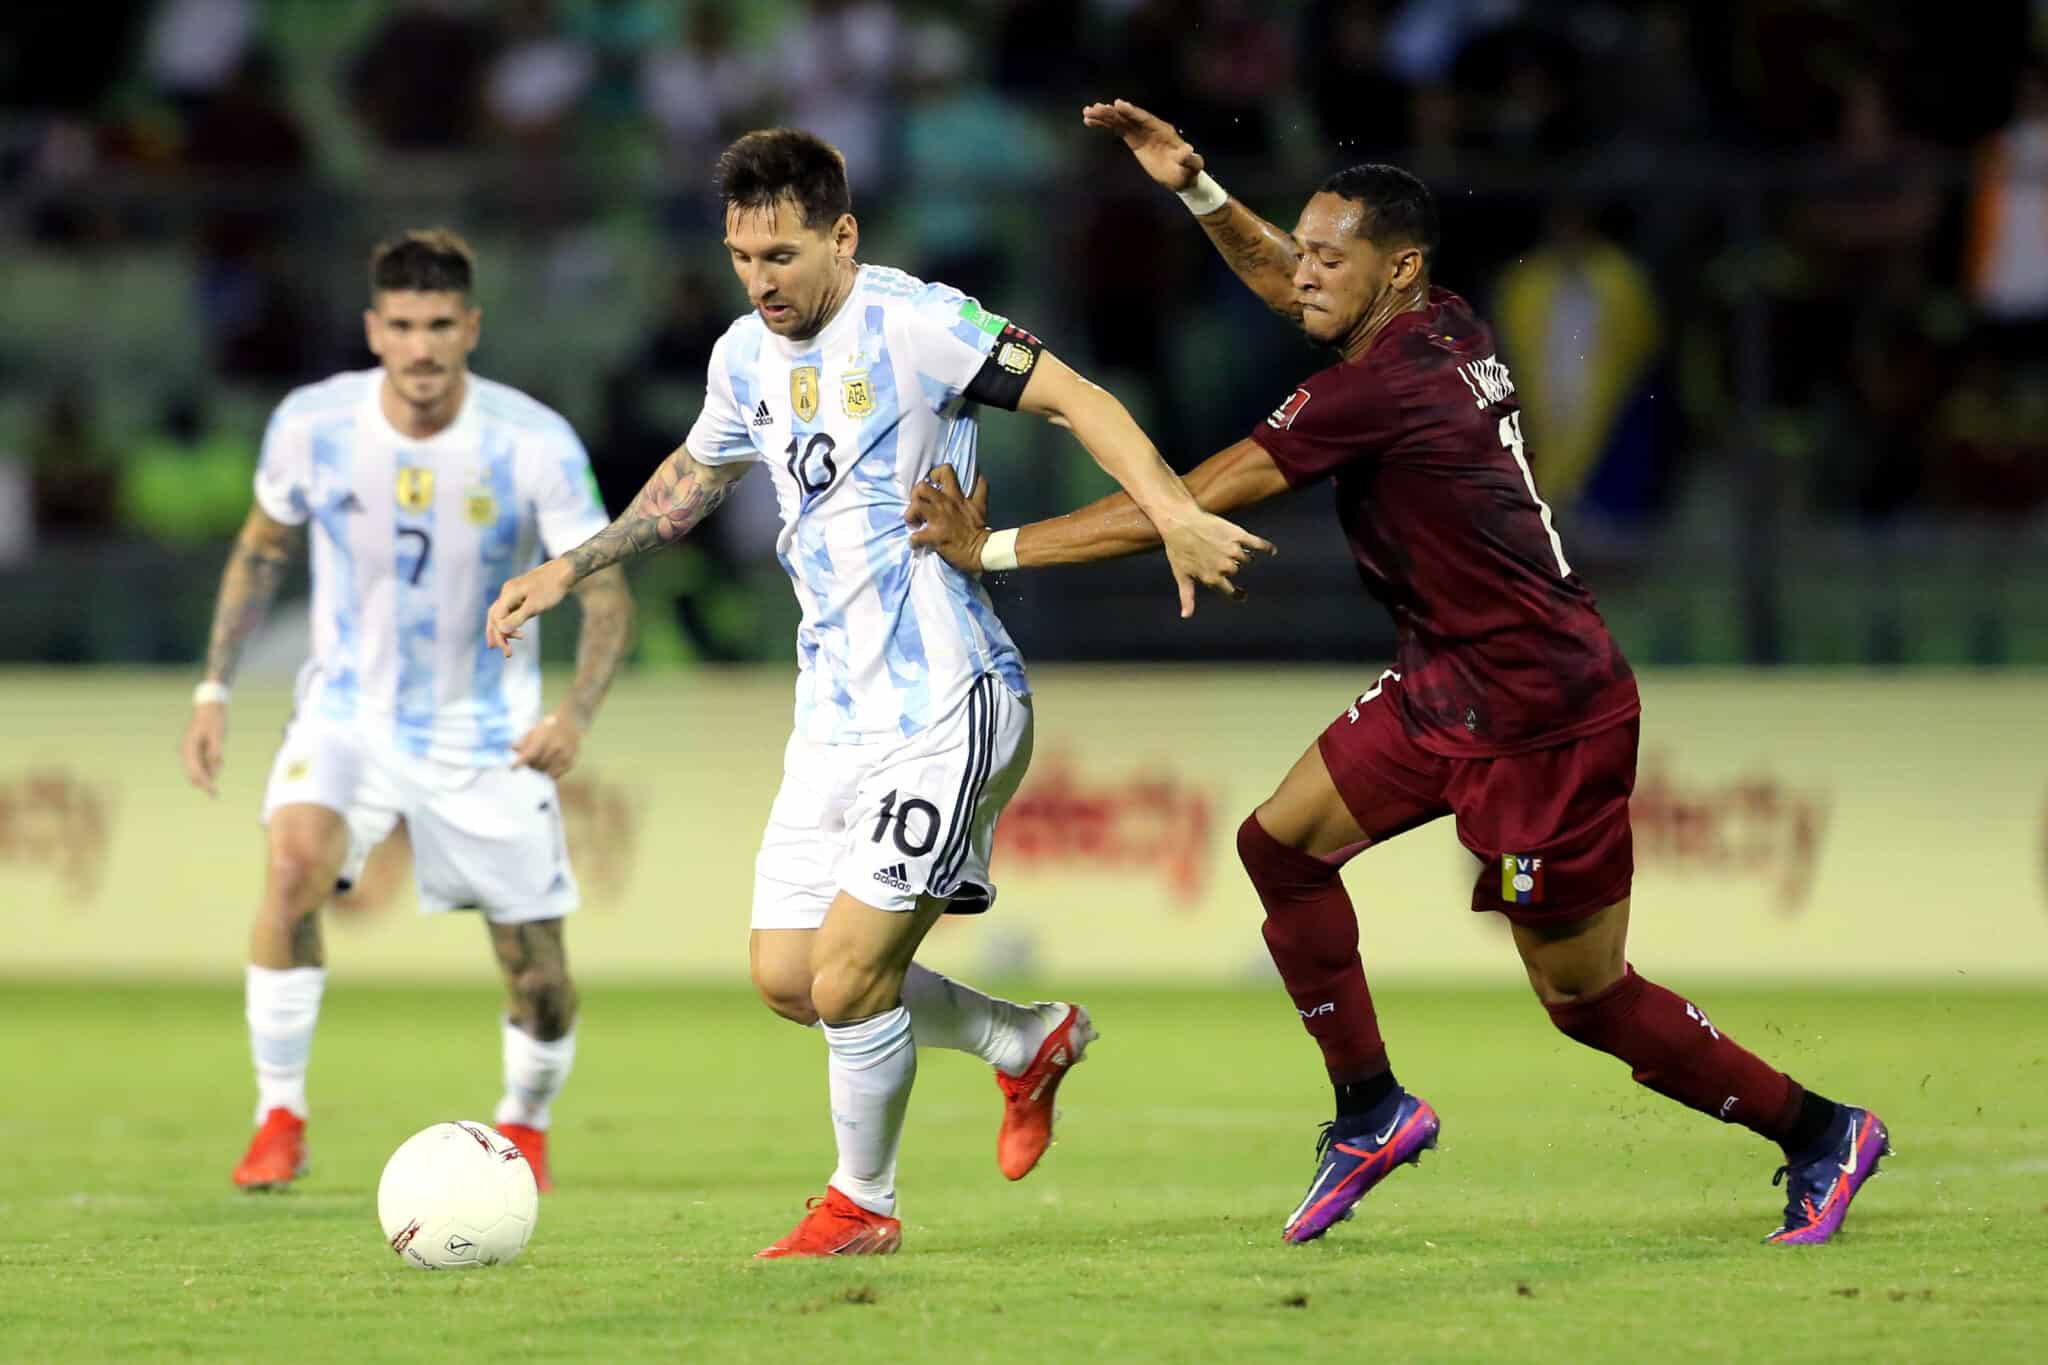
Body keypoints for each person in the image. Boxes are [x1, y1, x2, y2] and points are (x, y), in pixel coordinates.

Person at [905, 100, 1890, 1247]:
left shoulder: (1375, 390)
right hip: (1444, 683)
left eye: (1332, 256)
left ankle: (1818, 1131)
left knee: (1583, 999)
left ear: (1398, 268)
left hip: (1542, 714)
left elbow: (1190, 494)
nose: (1304, 273)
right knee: (1278, 844)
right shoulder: (1437, 324)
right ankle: (1369, 1106)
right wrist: (1198, 190)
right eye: (1306, 247)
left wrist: (994, 550)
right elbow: (1284, 284)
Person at [486, 128, 1270, 1258]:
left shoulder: (916, 321)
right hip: (832, 718)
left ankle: (863, 1205)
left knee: (852, 978)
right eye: (741, 258)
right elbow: (694, 480)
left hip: (948, 700)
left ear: (841, 237)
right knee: (787, 978)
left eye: (783, 257)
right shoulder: (742, 357)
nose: (760, 283)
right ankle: (1020, 1040)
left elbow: (1080, 398)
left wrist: (1173, 513)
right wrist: (575, 563)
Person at [178, 230, 634, 1195]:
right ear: (373, 330)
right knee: (294, 865)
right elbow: (261, 550)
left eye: (440, 326)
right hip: (348, 714)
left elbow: (605, 593)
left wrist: (575, 716)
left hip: (487, 732)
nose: (421, 348)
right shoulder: (313, 424)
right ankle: (279, 1116)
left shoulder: (532, 440)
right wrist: (214, 687)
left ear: (471, 328)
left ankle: (528, 1121)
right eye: (402, 326)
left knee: (537, 978)